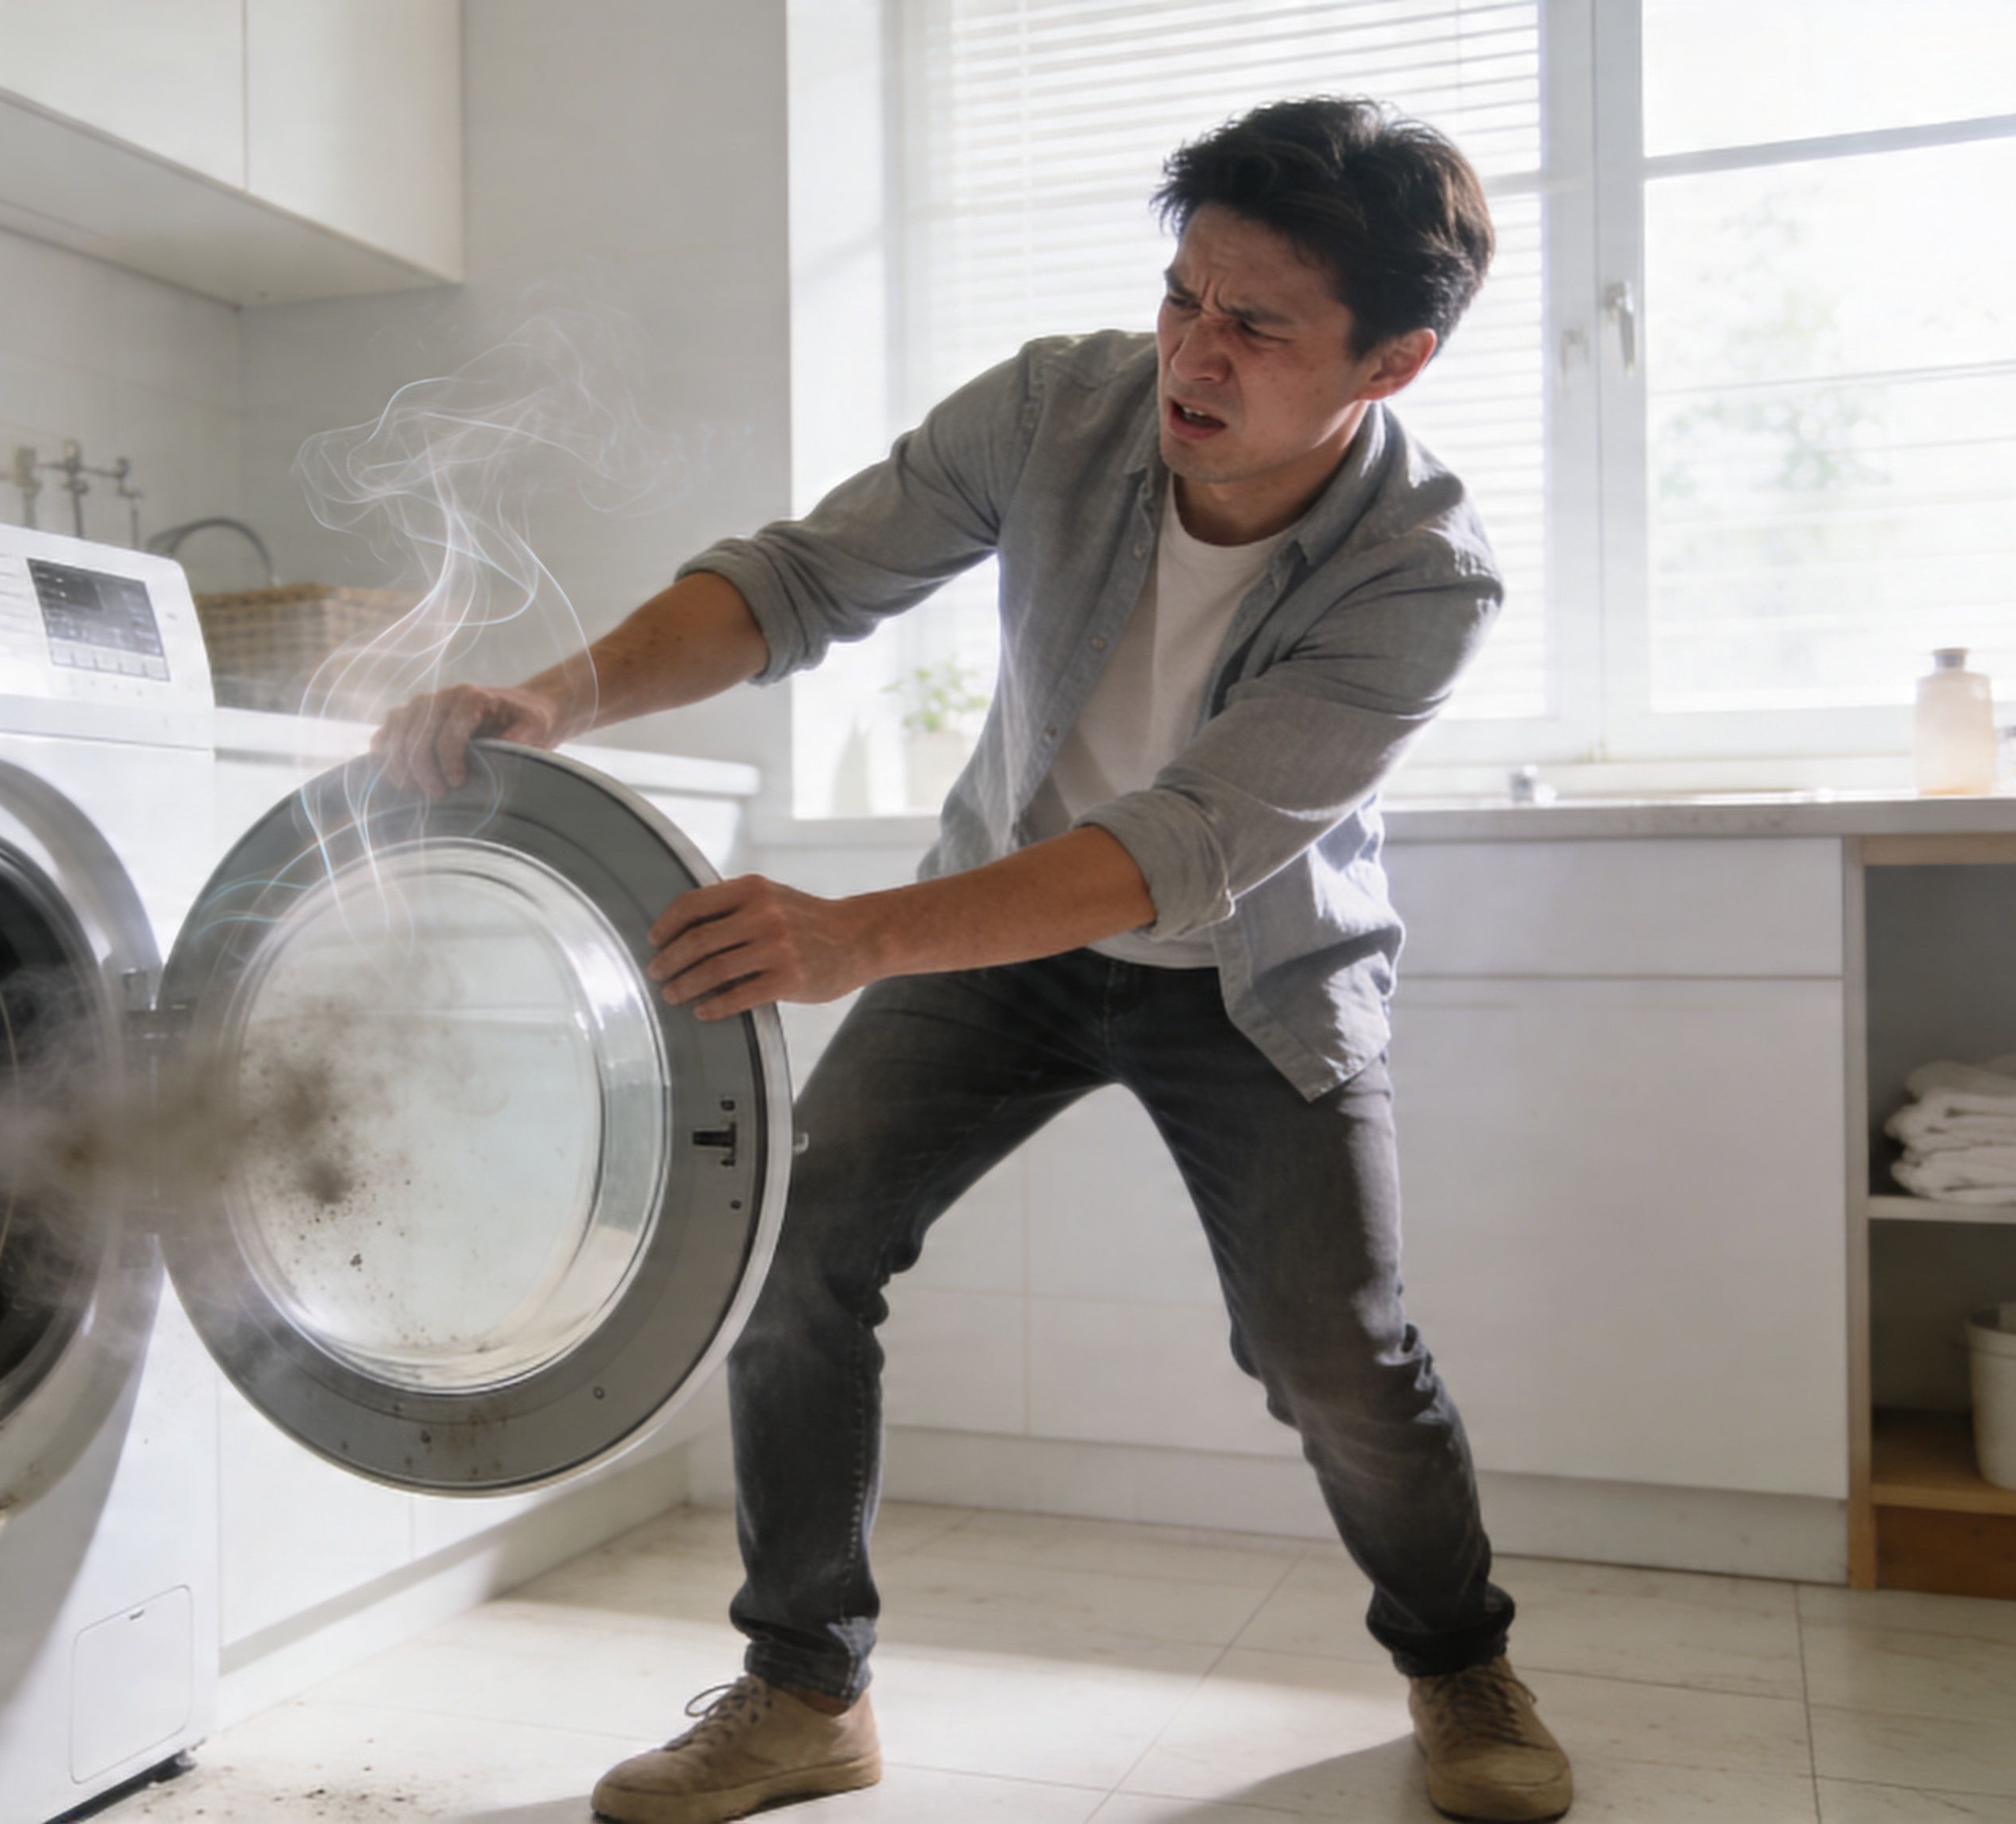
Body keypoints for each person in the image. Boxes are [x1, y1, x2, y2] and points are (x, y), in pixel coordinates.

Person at [371, 97, 1575, 1824]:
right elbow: (797, 582)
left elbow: (1183, 847)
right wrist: (550, 697)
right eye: (1180, 295)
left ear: (1384, 365)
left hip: (1252, 974)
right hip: (1000, 924)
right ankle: (803, 1693)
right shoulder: (1053, 408)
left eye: (1253, 326)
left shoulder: (1421, 578)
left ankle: (1457, 1665)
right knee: (789, 1247)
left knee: (1331, 1348)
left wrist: (851, 937)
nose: (1190, 350)